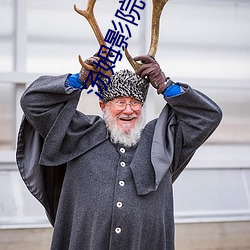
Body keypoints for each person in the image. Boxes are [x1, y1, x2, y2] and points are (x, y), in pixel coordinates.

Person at [16, 54, 222, 250]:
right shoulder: (79, 132)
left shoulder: (162, 139)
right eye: (120, 102)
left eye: (135, 103)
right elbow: (32, 102)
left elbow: (208, 116)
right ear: (103, 105)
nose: (128, 110)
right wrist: (78, 80)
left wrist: (165, 86)